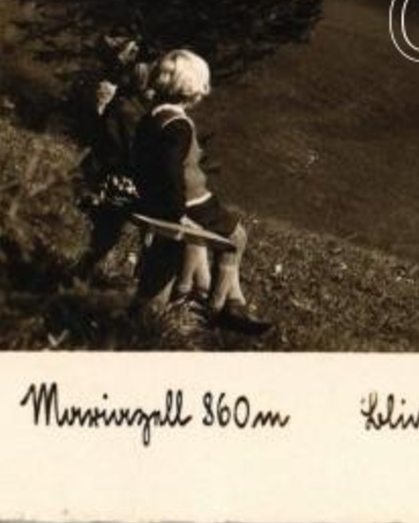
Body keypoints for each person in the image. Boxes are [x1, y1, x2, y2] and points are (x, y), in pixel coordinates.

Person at [132, 49, 270, 335]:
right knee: (236, 236)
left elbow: (144, 161)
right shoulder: (179, 125)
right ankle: (220, 307)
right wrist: (175, 211)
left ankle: (215, 302)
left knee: (167, 255)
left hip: (158, 198)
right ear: (192, 90)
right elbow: (170, 170)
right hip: (190, 201)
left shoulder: (152, 118)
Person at [72, 42, 150, 282]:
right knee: (109, 233)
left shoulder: (125, 107)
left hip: (104, 174)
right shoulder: (129, 111)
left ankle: (81, 273)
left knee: (106, 236)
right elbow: (128, 154)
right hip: (110, 180)